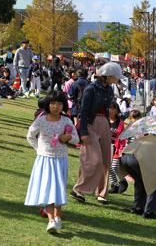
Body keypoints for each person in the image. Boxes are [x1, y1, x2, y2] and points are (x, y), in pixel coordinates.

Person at [24, 90, 79, 233]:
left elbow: (76, 139)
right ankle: (51, 220)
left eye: (59, 103)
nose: (56, 106)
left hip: (61, 160)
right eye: (53, 103)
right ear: (47, 104)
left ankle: (57, 217)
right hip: (45, 160)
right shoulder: (41, 120)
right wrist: (39, 149)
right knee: (48, 189)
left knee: (58, 189)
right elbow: (30, 136)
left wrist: (68, 137)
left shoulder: (66, 121)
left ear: (64, 105)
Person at [70, 62, 124, 204]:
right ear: (109, 75)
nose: (117, 79)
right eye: (115, 77)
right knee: (93, 159)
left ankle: (102, 193)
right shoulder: (91, 88)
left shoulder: (110, 89)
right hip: (90, 123)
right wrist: (84, 131)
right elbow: (84, 110)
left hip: (105, 123)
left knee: (106, 159)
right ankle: (78, 189)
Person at [108, 102, 128, 194]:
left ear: (117, 111)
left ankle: (123, 181)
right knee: (108, 168)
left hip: (117, 148)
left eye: (112, 109)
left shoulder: (120, 123)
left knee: (115, 166)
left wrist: (121, 149)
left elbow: (122, 137)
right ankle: (114, 185)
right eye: (109, 108)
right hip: (107, 147)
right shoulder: (105, 121)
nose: (110, 111)